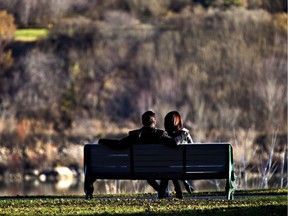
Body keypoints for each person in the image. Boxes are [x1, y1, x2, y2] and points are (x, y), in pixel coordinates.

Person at [85, 111, 175, 199]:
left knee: (147, 171)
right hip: (158, 168)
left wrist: (103, 141)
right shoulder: (161, 135)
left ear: (143, 122)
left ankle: (161, 192)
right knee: (164, 170)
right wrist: (184, 134)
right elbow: (174, 143)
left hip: (138, 170)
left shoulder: (135, 135)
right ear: (154, 122)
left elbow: (118, 145)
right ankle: (162, 192)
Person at [158, 111, 194, 199]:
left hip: (166, 168)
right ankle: (178, 192)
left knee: (169, 166)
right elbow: (193, 149)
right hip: (184, 167)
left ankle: (163, 194)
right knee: (173, 165)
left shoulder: (163, 137)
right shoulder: (184, 135)